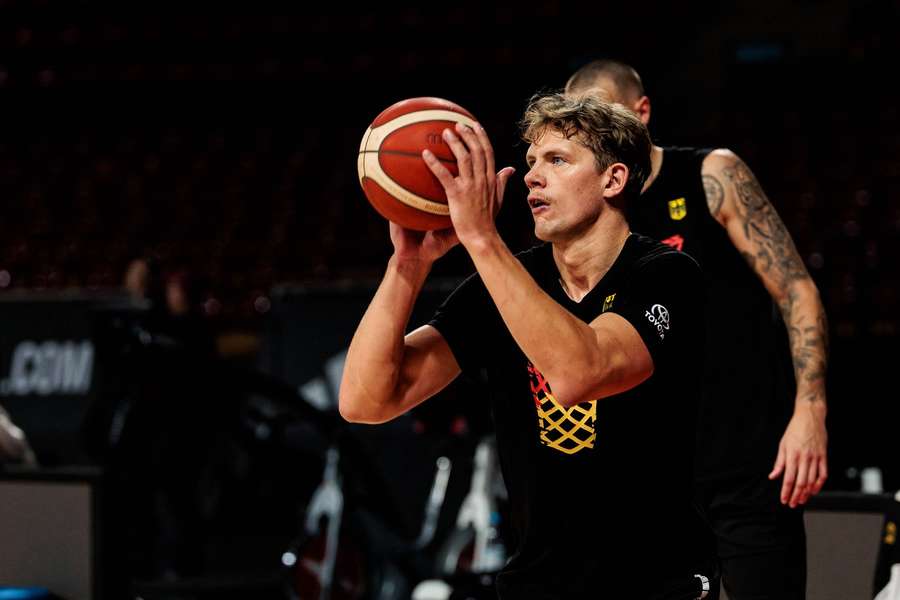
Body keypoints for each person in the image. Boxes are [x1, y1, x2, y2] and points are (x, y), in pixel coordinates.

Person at [340, 92, 716, 599]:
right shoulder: (506, 282)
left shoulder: (666, 275)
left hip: (656, 583)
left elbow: (582, 373)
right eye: (532, 161)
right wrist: (407, 267)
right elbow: (366, 400)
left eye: (557, 160)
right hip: (536, 584)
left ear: (614, 179)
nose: (533, 176)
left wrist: (482, 240)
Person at [565, 59, 829, 599]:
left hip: (747, 467)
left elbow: (798, 290)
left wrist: (810, 411)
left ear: (642, 112)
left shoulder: (713, 174)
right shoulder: (590, 213)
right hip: (651, 480)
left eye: (606, 115)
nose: (597, 133)